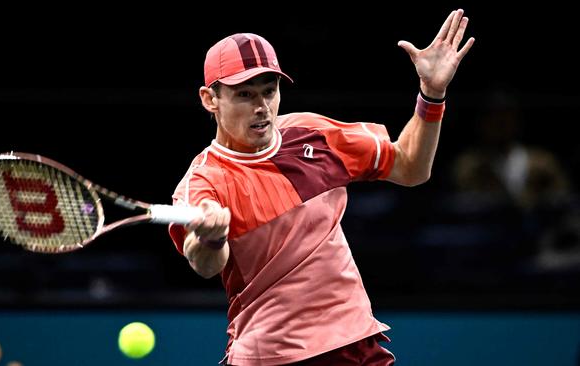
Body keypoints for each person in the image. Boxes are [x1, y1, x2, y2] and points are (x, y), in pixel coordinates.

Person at [168, 9, 474, 366]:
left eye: (269, 91)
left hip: (356, 344)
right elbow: (204, 263)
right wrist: (210, 237)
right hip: (273, 355)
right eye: (245, 95)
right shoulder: (204, 180)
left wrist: (432, 94)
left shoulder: (313, 135)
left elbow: (410, 167)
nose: (262, 107)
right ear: (210, 99)